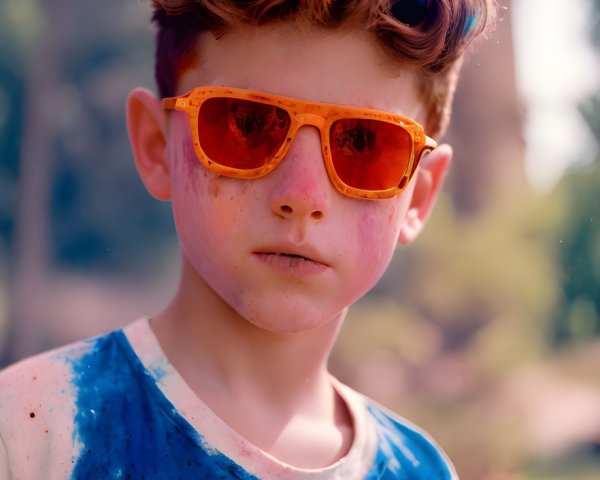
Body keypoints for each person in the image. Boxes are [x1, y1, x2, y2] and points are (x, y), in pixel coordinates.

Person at [0, 0, 496, 478]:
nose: (301, 196)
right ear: (157, 146)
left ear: (418, 197)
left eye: (363, 142)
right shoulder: (31, 430)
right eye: (247, 124)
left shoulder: (422, 471)